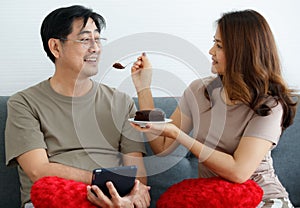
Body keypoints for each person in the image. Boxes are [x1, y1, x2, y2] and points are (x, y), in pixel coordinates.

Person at [131, 10, 297, 207]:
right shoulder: (199, 91)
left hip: (263, 198)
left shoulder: (270, 105)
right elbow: (162, 146)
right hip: (215, 198)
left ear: (241, 52)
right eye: (214, 42)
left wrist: (179, 135)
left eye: (219, 46)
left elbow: (239, 172)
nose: (211, 51)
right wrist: (144, 89)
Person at [5, 5, 150, 208]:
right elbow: (38, 170)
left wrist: (128, 198)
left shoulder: (122, 102)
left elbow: (138, 177)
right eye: (84, 39)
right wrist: (102, 181)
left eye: (97, 39)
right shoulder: (24, 103)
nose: (95, 48)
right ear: (56, 47)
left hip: (113, 200)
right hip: (55, 199)